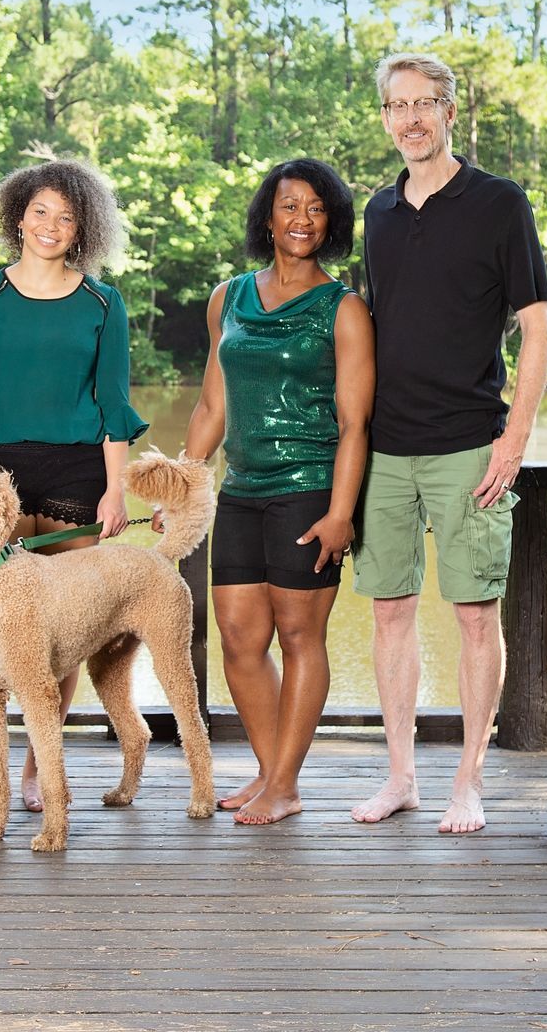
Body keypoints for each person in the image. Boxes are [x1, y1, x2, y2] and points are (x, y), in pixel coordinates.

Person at [350, 52, 547, 835]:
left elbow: (536, 327)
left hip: (471, 441)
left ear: (449, 111)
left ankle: (467, 780)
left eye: (424, 104)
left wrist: (514, 436)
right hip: (386, 449)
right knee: (389, 612)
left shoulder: (500, 204)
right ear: (385, 119)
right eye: (397, 106)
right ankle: (401, 775)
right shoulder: (378, 214)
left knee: (475, 615)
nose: (411, 119)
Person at [0, 159, 148, 820]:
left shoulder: (104, 302)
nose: (51, 226)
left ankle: (37, 772)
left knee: (57, 632)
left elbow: (112, 405)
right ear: (19, 217)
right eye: (41, 212)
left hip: (77, 474)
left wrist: (115, 492)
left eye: (66, 217)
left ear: (83, 230)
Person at [178, 158, 373, 825]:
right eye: (290, 206)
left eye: (317, 209)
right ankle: (271, 775)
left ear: (332, 223)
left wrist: (341, 513)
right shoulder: (226, 297)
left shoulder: (342, 309)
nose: (302, 220)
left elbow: (355, 425)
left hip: (309, 488)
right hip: (240, 490)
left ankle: (285, 785)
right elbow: (211, 407)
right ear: (268, 216)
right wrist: (181, 482)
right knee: (237, 635)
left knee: (298, 634)